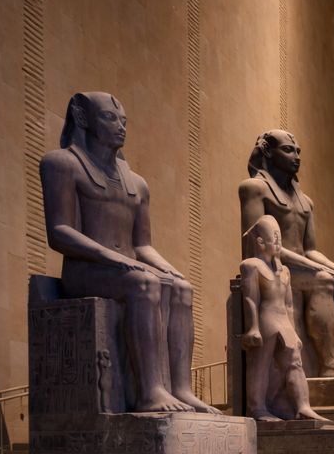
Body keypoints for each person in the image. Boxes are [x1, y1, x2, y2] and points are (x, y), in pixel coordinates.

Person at [40, 92, 218, 414]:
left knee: (181, 288)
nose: (120, 126)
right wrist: (116, 259)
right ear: (83, 119)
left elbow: (142, 246)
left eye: (123, 120)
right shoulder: (61, 163)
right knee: (144, 284)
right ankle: (150, 392)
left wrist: (168, 269)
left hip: (120, 269)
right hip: (84, 270)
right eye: (109, 118)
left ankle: (182, 388)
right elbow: (60, 232)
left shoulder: (137, 183)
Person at [239, 130, 334, 379]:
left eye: (298, 151)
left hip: (299, 266)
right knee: (323, 280)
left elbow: (310, 250)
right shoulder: (254, 188)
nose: (296, 157)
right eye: (287, 150)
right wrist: (318, 269)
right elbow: (258, 243)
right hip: (271, 268)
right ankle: (330, 362)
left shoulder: (306, 202)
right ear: (268, 152)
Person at [239, 215, 328, 421]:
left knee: (295, 362)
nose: (279, 243)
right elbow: (251, 299)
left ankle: (303, 406)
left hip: (283, 321)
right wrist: (253, 327)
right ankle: (257, 408)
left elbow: (289, 305)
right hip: (266, 320)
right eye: (274, 238)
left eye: (280, 238)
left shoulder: (284, 271)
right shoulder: (251, 266)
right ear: (260, 242)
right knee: (260, 364)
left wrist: (293, 331)